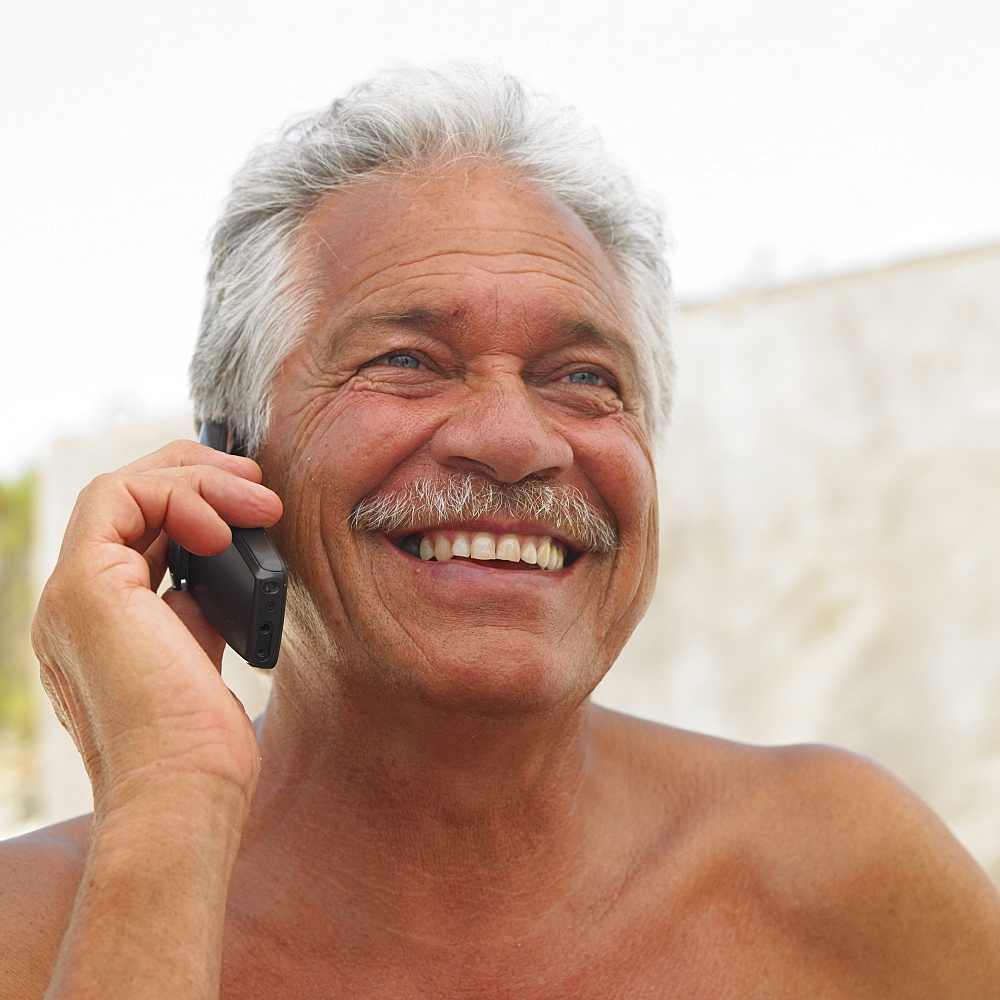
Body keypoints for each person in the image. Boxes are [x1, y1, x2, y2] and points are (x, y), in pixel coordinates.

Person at [2, 64, 998, 999]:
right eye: (407, 359)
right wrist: (168, 808)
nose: (513, 441)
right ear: (228, 460)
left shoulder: (837, 870)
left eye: (582, 378)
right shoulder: (40, 928)